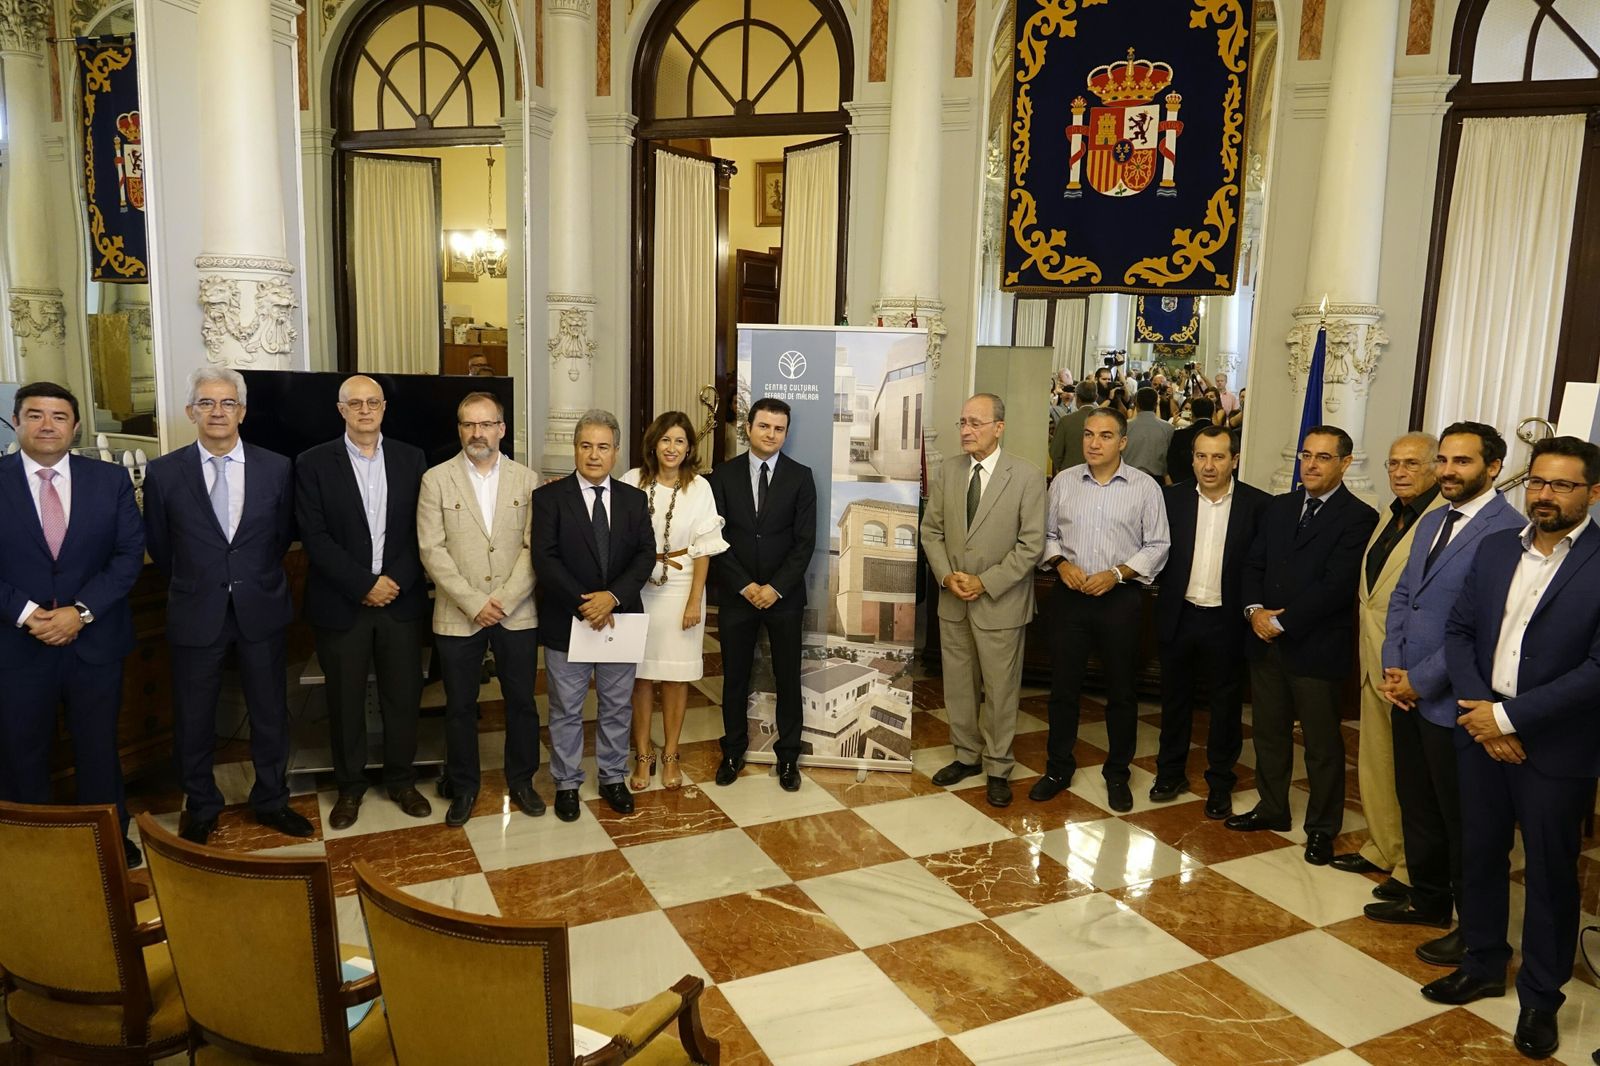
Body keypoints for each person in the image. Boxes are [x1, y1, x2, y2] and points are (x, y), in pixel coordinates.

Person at [1423, 436, 1600, 1061]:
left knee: (1551, 876)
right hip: (1480, 732)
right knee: (1478, 854)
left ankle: (1540, 998)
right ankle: (1481, 961)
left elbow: (1597, 668)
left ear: (1593, 493)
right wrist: (1481, 713)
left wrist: (1508, 719)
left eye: (1561, 485)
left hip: (1554, 748)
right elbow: (1461, 629)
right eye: (1538, 483)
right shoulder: (1499, 548)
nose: (1544, 495)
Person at [1373, 422, 1521, 963]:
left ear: (1493, 468)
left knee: (1463, 822)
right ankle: (1428, 898)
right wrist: (1395, 667)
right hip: (1406, 689)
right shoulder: (1433, 519)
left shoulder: (1509, 531)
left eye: (1462, 462)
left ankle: (1469, 924)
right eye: (1444, 461)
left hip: (1452, 698)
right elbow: (1404, 597)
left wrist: (1422, 678)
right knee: (1417, 803)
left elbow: (1486, 626)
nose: (1448, 471)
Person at [144, 367, 309, 846]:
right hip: (197, 609)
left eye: (227, 403)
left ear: (243, 410)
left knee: (270, 711)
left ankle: (272, 799)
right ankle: (201, 804)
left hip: (261, 606)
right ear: (190, 411)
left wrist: (244, 577)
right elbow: (162, 545)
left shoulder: (277, 467)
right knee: (195, 715)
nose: (218, 412)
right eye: (207, 403)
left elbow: (280, 537)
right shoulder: (164, 471)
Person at [0, 382, 145, 866]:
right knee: (22, 751)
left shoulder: (109, 482)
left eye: (59, 416)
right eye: (35, 415)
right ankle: (37, 847)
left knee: (99, 747)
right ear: (17, 421)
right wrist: (26, 613)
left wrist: (79, 612)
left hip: (94, 640)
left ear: (75, 426)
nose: (47, 425)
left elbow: (127, 557)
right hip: (18, 644)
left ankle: (107, 840)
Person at [1228, 426, 1378, 865]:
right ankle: (1272, 808)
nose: (1310, 465)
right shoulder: (1280, 506)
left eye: (1323, 457)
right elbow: (1253, 563)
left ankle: (1321, 828)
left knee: (1321, 745)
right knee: (1269, 734)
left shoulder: (1359, 516)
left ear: (1345, 463)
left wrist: (1283, 622)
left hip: (1315, 646)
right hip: (1265, 640)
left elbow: (1336, 586)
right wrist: (1255, 611)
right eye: (1305, 455)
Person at [295, 375, 431, 831]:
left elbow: (423, 532)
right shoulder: (313, 463)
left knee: (402, 697)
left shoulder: (413, 459)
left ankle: (401, 780)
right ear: (341, 410)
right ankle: (349, 788)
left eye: (373, 402)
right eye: (355, 403)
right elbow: (314, 537)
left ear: (384, 408)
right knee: (345, 701)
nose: (365, 410)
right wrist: (363, 584)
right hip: (342, 603)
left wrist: (394, 580)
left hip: (401, 600)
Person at [1032, 407, 1170, 812]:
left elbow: (1157, 545)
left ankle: (1117, 773)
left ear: (1122, 442)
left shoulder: (1144, 487)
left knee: (1122, 693)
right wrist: (1061, 563)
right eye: (1089, 434)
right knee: (1063, 689)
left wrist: (1116, 573)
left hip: (1120, 598)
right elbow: (1047, 534)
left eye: (1105, 436)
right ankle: (1058, 768)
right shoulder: (1064, 482)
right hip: (1070, 597)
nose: (1094, 443)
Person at [417, 391, 540, 827]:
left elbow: (533, 548)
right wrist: (474, 603)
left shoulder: (527, 479)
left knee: (522, 702)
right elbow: (431, 550)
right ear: (459, 430)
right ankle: (464, 785)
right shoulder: (436, 479)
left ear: (502, 429)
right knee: (460, 706)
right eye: (469, 424)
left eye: (486, 424)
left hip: (517, 612)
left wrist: (503, 600)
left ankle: (522, 780)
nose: (477, 433)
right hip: (457, 614)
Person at [921, 394, 1047, 807]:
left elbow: (1031, 546)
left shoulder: (1026, 476)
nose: (965, 431)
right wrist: (947, 575)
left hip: (1000, 602)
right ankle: (965, 756)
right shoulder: (949, 472)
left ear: (999, 427)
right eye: (962, 423)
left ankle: (998, 766)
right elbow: (931, 532)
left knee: (999, 690)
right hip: (954, 599)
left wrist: (984, 581)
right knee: (958, 685)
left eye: (976, 423)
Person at [531, 409, 656, 821]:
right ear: (575, 449)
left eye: (603, 447)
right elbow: (545, 560)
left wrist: (612, 598)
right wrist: (588, 603)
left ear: (616, 452)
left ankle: (612, 777)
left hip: (620, 619)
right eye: (586, 446)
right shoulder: (549, 498)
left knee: (617, 706)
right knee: (566, 708)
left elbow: (644, 557)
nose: (594, 455)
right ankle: (567, 783)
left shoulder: (636, 500)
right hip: (568, 619)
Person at [1330, 434, 1442, 881]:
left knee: (1414, 777)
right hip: (1373, 657)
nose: (1399, 472)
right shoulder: (1389, 514)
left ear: (1436, 468)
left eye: (1412, 464)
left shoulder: (1441, 520)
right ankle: (1382, 847)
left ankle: (1414, 868)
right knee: (1376, 762)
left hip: (1412, 667)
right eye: (1394, 463)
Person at [1150, 425, 1269, 816]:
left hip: (1227, 620)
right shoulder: (1171, 499)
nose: (1208, 465)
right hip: (1179, 614)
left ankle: (1220, 781)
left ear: (1234, 460)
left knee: (1225, 705)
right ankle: (1170, 773)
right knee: (1174, 700)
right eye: (1201, 456)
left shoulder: (1258, 506)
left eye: (1218, 457)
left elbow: (1260, 567)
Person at [707, 398, 817, 792]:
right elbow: (715, 537)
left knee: (787, 678)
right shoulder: (722, 475)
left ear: (786, 433)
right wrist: (745, 585)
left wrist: (774, 588)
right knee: (735, 678)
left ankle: (788, 758)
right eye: (764, 426)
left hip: (783, 598)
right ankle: (733, 751)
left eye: (779, 429)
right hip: (738, 597)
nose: (771, 434)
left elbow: (805, 543)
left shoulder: (801, 477)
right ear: (748, 428)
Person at [618, 412, 727, 792]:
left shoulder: (699, 488)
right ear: (654, 443)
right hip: (637, 587)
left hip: (680, 586)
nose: (672, 448)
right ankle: (644, 754)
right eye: (666, 440)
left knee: (677, 677)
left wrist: (695, 601)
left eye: (679, 441)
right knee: (642, 676)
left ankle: (671, 754)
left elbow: (704, 549)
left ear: (689, 448)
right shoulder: (632, 481)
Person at [1123, 387, 1174, 481]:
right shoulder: (1168, 428)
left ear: (1136, 404)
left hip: (1127, 476)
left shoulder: (1124, 426)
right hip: (1157, 479)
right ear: (1156, 404)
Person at [1049, 381, 1098, 476]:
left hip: (1070, 476)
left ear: (1077, 398)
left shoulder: (1066, 421)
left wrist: (1064, 468)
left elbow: (1055, 453)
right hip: (1098, 476)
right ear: (1096, 397)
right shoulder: (1107, 421)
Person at [1165, 396, 1216, 477]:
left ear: (1192, 413)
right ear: (1213, 413)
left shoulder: (1180, 435)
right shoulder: (1220, 435)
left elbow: (1171, 462)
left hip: (1182, 482)